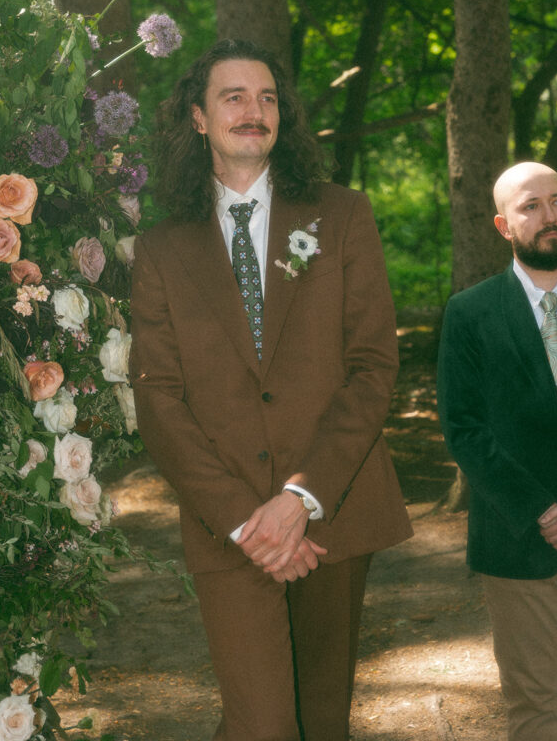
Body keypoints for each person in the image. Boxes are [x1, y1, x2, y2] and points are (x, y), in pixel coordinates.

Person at [130, 38, 411, 741]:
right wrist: (249, 523)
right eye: (233, 97)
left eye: (266, 98)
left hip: (334, 513)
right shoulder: (163, 248)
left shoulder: (342, 215)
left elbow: (372, 366)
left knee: (321, 720)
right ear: (197, 118)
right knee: (261, 723)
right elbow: (158, 398)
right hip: (231, 530)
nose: (253, 112)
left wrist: (299, 498)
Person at [437, 160, 557, 741]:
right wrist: (546, 510)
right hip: (518, 535)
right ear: (503, 225)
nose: (549, 216)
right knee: (533, 709)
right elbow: (465, 428)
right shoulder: (470, 313)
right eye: (531, 206)